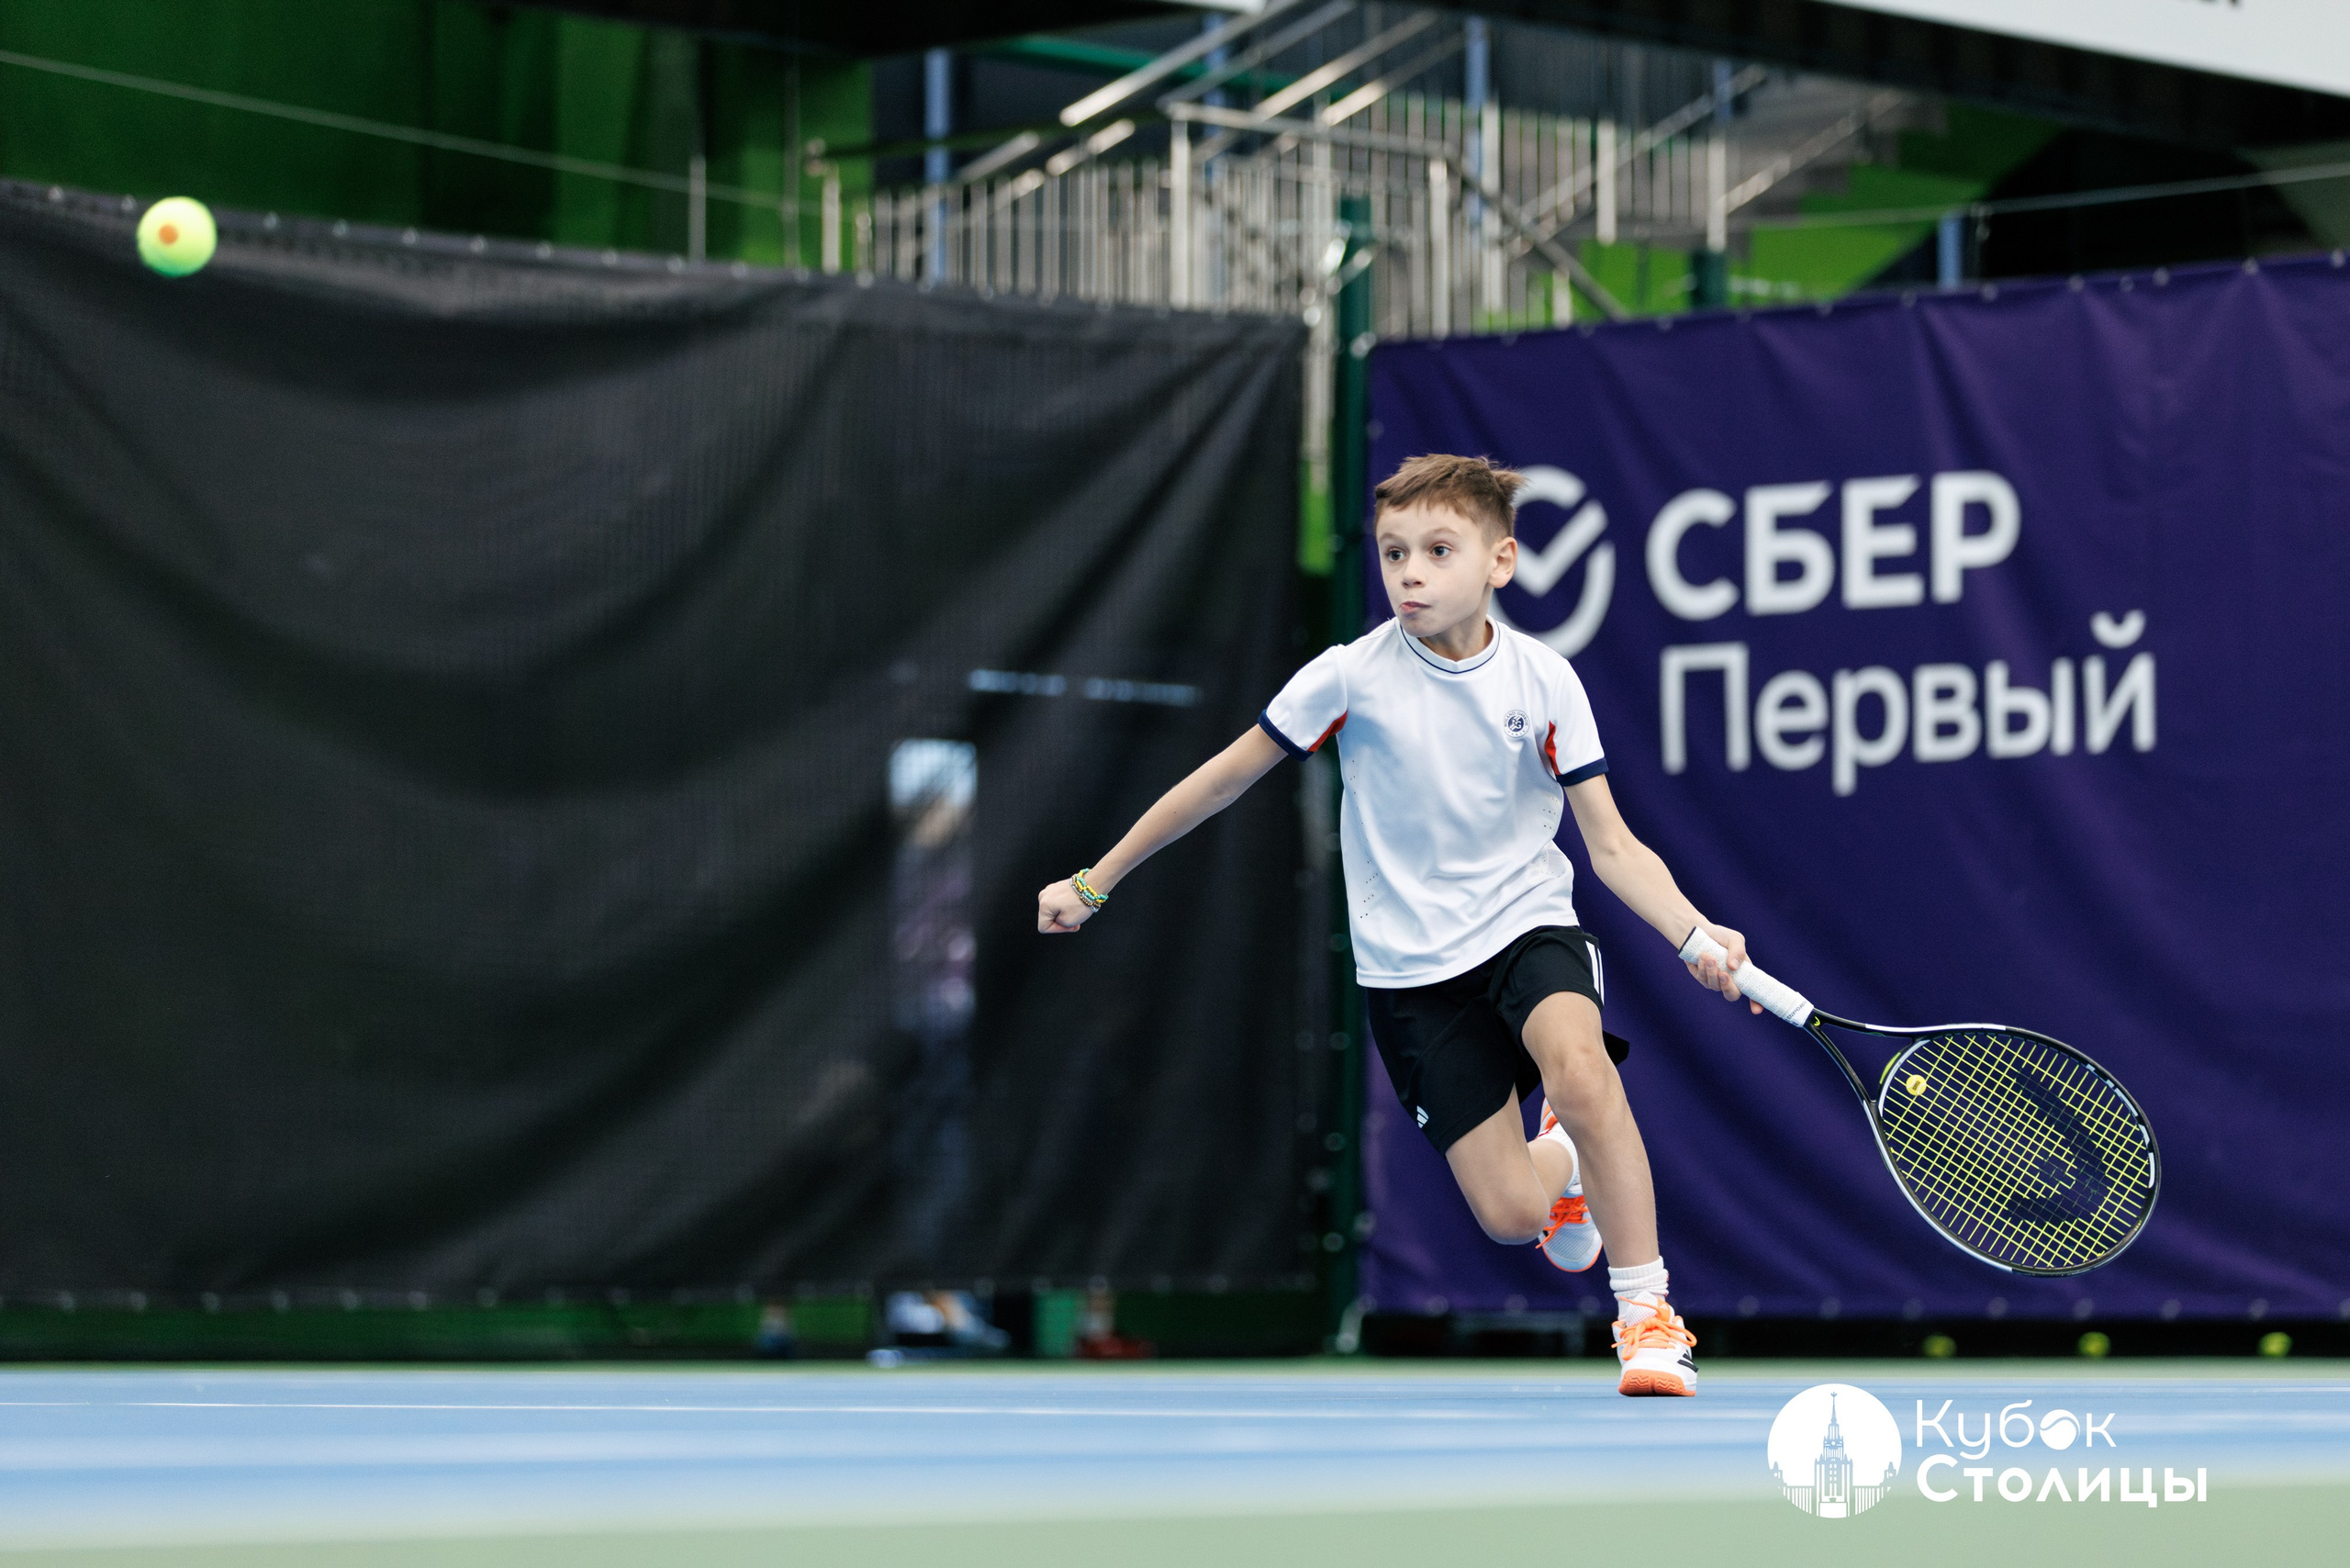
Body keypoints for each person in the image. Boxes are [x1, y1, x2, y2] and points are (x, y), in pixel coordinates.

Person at [1036, 453, 1758, 1398]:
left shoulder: (1546, 681)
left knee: (1580, 1070)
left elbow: (1612, 848)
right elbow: (1222, 776)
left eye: (1436, 549)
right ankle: (1563, 1161)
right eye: (1392, 552)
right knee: (1509, 1214)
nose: (1409, 572)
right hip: (1410, 972)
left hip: (1526, 924)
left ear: (1500, 561)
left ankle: (1647, 1316)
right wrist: (1099, 877)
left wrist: (1694, 932)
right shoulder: (1347, 677)